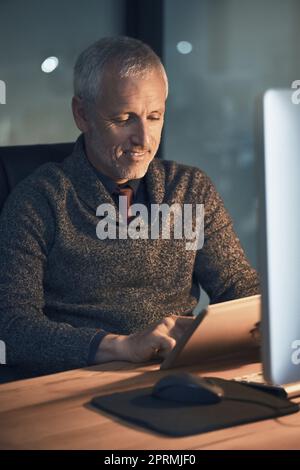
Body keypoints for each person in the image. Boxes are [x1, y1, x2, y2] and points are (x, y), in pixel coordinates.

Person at [0, 37, 259, 377]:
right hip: (76, 382)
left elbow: (240, 288)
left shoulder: (190, 188)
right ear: (82, 114)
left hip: (179, 373)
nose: (144, 138)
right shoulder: (39, 199)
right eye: (125, 119)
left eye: (154, 117)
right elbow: (13, 329)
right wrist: (121, 346)